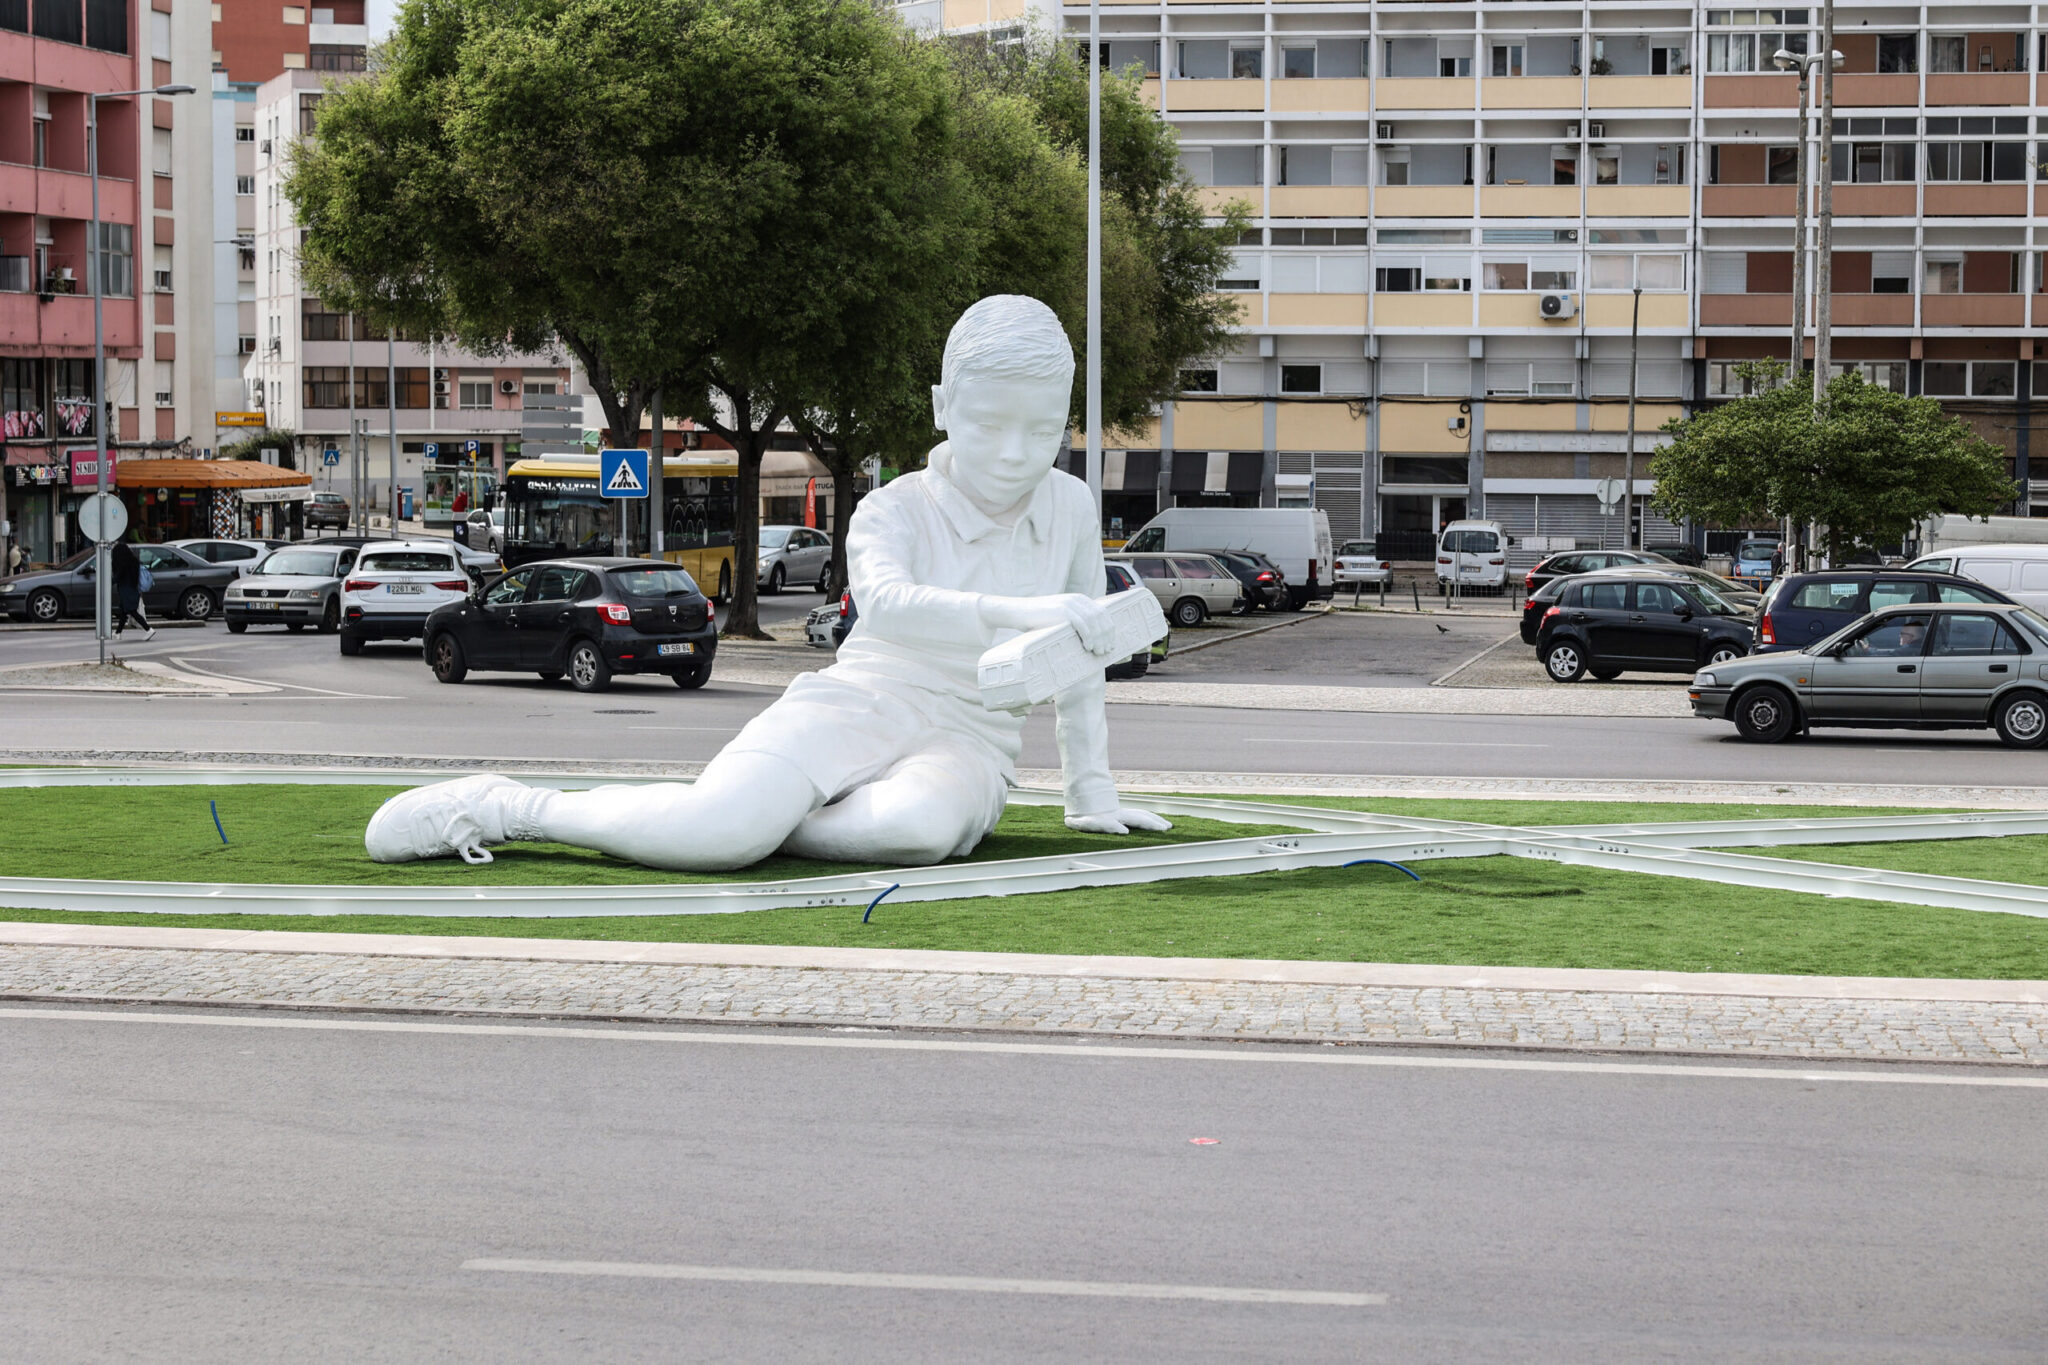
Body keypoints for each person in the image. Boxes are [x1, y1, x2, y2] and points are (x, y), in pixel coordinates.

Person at [365, 295, 1171, 871]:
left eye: (1041, 427)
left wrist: (1090, 792)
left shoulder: (1069, 505)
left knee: (917, 830)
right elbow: (888, 604)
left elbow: (1082, 657)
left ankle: (751, 819)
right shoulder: (894, 508)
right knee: (718, 836)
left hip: (972, 739)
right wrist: (1027, 609)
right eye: (991, 424)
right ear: (941, 407)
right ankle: (512, 807)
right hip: (864, 698)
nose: (1014, 451)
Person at [110, 533, 154, 640]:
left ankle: (148, 629)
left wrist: (107, 583)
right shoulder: (133, 561)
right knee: (124, 612)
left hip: (126, 591)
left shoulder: (122, 565)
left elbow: (117, 578)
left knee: (132, 612)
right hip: (132, 590)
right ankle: (118, 633)